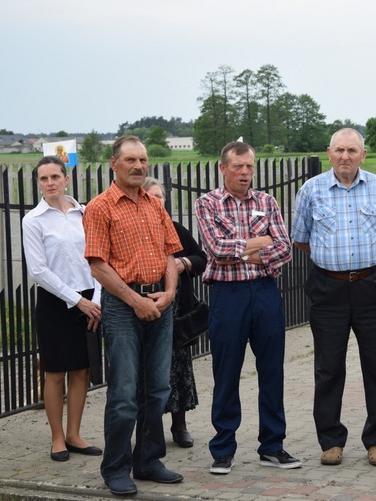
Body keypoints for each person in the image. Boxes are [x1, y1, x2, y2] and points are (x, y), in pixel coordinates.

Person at [291, 128, 376, 467]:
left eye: (352, 150)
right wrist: (334, 262)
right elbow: (302, 239)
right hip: (329, 289)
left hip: (374, 287)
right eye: (339, 150)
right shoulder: (311, 190)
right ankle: (331, 440)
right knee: (328, 368)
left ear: (363, 155)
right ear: (329, 153)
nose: (345, 157)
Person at [84, 136, 183, 496]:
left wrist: (169, 293)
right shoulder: (100, 207)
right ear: (114, 163)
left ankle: (148, 460)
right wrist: (135, 301)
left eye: (143, 160)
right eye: (130, 160)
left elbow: (171, 252)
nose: (139, 166)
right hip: (123, 307)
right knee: (124, 393)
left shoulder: (154, 207)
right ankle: (115, 468)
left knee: (157, 390)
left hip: (160, 302)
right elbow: (97, 265)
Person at [195, 140, 300, 475]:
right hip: (228, 296)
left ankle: (272, 446)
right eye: (238, 167)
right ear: (223, 167)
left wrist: (242, 250)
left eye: (249, 167)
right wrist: (258, 244)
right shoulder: (207, 203)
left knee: (272, 371)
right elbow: (215, 248)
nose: (244, 173)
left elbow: (285, 248)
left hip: (265, 292)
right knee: (226, 373)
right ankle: (223, 449)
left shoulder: (266, 201)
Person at [22, 155, 102, 462]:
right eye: (44, 179)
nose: (50, 183)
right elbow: (38, 270)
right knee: (55, 371)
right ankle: (57, 438)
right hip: (56, 302)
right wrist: (76, 299)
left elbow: (98, 256)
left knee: (81, 369)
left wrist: (94, 298)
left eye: (55, 177)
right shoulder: (33, 221)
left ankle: (74, 435)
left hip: (89, 299)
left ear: (66, 179)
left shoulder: (86, 212)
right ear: (38, 183)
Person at [142, 177, 207, 449]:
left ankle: (180, 427)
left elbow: (201, 259)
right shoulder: (136, 229)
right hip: (144, 310)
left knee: (178, 369)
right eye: (151, 197)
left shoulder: (176, 230)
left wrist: (183, 262)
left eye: (160, 197)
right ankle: (150, 428)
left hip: (177, 313)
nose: (157, 202)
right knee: (148, 373)